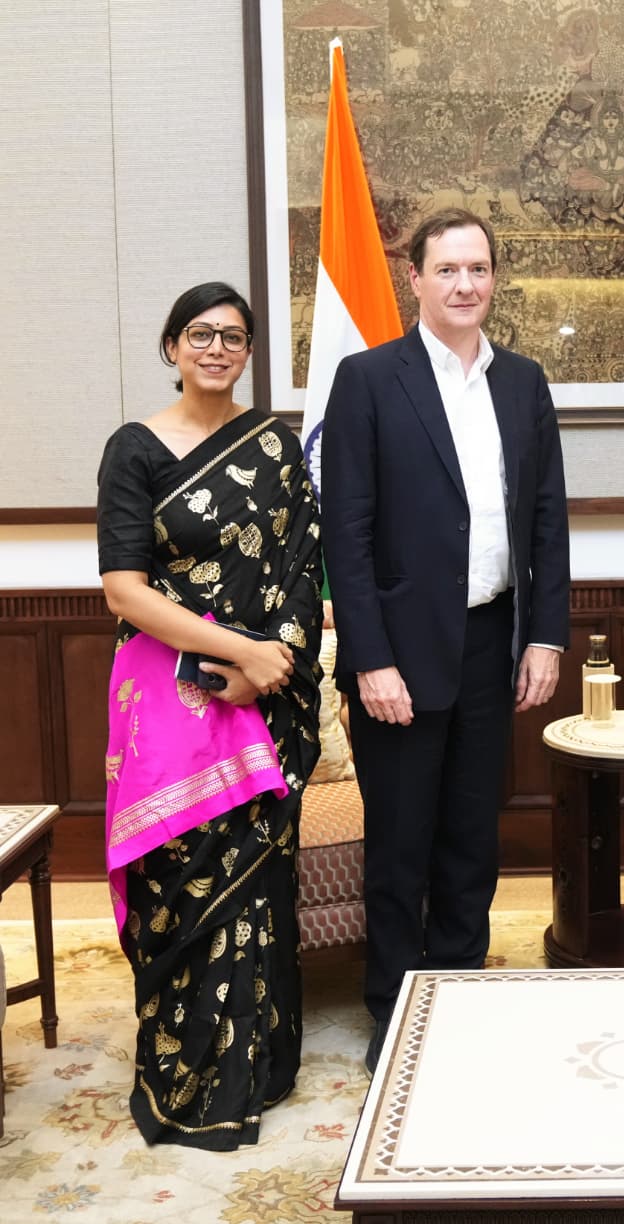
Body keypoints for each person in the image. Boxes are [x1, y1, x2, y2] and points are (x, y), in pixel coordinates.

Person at [322, 208, 570, 1073]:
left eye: (479, 269)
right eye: (448, 270)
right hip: (398, 651)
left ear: (495, 279)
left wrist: (545, 638)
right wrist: (370, 659)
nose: (466, 284)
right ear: (415, 281)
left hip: (492, 639)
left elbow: (546, 521)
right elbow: (344, 536)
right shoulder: (368, 379)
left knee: (472, 832)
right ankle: (395, 1012)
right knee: (400, 840)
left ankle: (456, 989)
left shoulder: (524, 382)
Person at [97, 282, 323, 1148]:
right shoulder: (136, 448)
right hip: (170, 695)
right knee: (177, 882)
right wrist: (230, 651)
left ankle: (261, 1062)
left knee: (258, 878)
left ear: (249, 351)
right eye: (201, 334)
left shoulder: (276, 445)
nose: (218, 348)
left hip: (265, 693)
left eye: (234, 336)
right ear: (171, 346)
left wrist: (275, 661)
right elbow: (124, 587)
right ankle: (184, 1071)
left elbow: (306, 562)